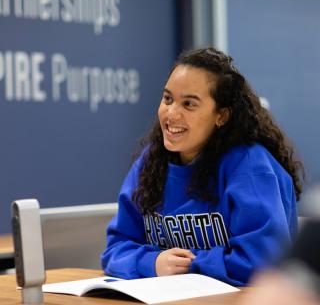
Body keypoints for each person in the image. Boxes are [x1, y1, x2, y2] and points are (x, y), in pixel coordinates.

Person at [101, 47, 304, 286]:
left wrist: (190, 265)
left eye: (189, 104)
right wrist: (153, 263)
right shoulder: (150, 162)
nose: (171, 113)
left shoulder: (250, 167)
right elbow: (115, 250)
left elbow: (261, 263)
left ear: (221, 116)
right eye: (168, 99)